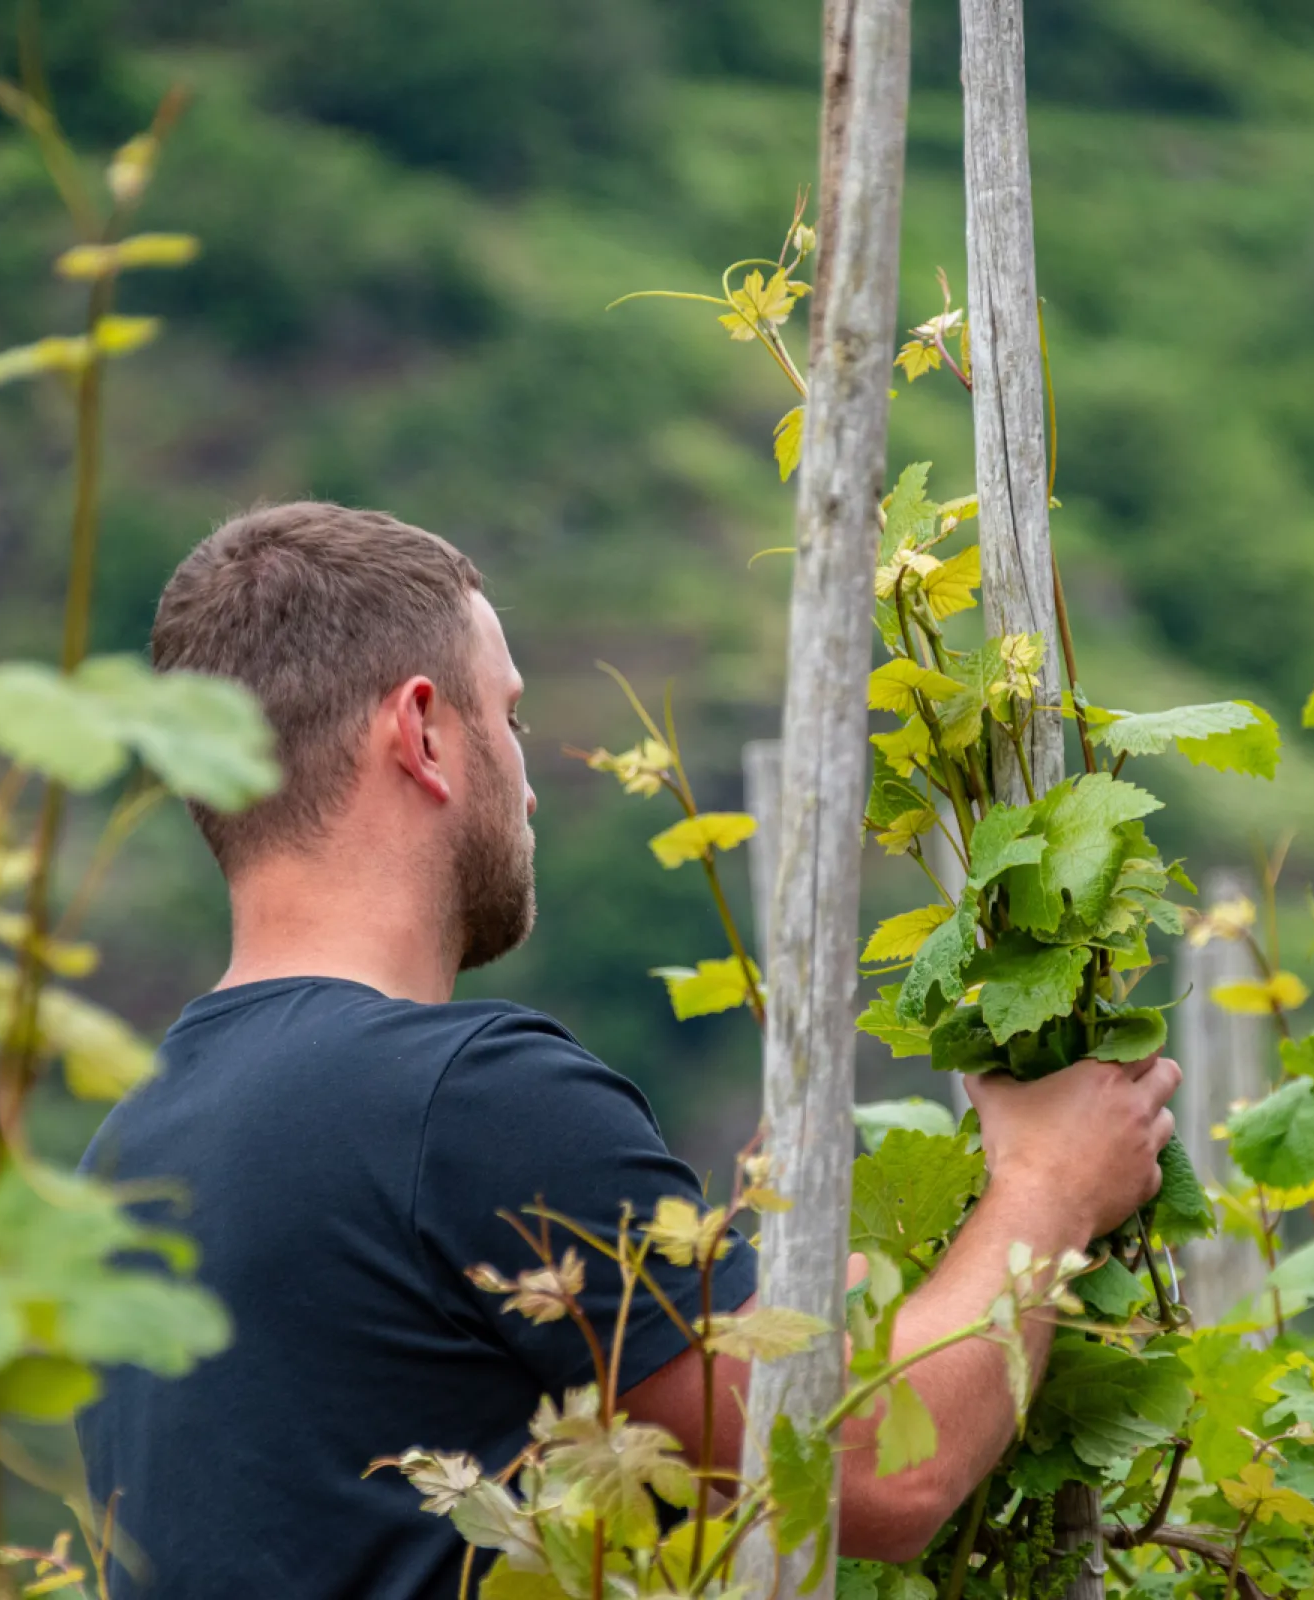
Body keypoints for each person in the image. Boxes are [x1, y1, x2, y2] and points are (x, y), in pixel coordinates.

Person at [77, 501, 1182, 1597]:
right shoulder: (465, 1099)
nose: (527, 780)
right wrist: (1048, 1187)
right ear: (421, 732)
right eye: (508, 717)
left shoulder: (123, 1159)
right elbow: (878, 1469)